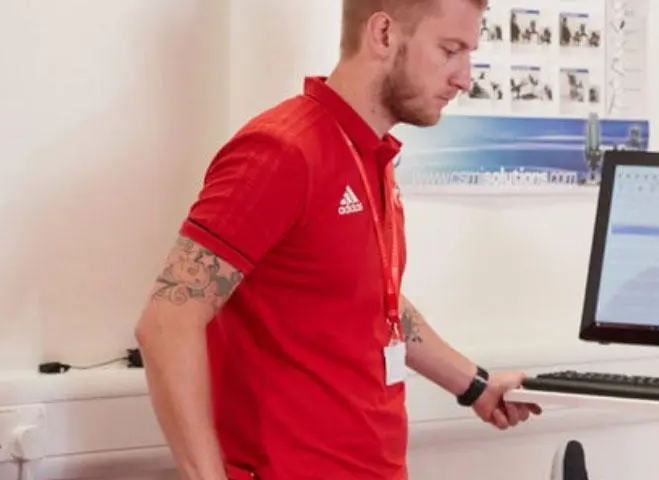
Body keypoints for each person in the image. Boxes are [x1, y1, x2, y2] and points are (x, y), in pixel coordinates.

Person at [131, 1, 543, 479]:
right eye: (450, 50)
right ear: (384, 34)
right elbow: (167, 323)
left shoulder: (372, 156)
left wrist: (476, 385)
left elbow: (370, 300)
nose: (464, 77)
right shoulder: (281, 151)